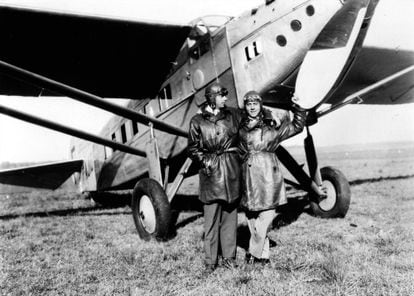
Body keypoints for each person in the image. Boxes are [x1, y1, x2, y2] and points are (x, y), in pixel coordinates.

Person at [238, 90, 306, 265]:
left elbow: (297, 126)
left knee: (267, 215)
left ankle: (253, 252)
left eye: (255, 104)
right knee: (252, 216)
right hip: (247, 175)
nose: (252, 107)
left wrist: (298, 107)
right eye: (249, 104)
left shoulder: (272, 129)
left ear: (260, 106)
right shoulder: (238, 129)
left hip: (268, 176)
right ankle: (264, 256)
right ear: (245, 107)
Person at [188, 82, 242, 274]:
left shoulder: (234, 115)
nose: (226, 98)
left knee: (230, 218)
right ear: (212, 97)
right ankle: (211, 261)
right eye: (222, 95)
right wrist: (205, 162)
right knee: (210, 220)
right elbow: (193, 149)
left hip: (231, 172)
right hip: (211, 175)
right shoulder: (197, 121)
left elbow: (253, 118)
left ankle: (228, 258)